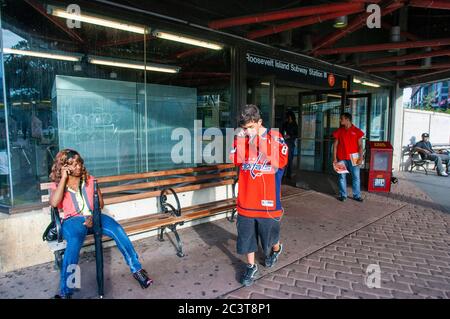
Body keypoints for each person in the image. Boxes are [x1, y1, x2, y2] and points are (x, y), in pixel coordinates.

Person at [49, 149, 153, 299]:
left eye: (79, 163)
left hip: (94, 215)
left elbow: (101, 204)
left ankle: (137, 270)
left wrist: (95, 200)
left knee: (117, 229)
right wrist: (64, 179)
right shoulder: (58, 184)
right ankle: (67, 291)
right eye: (72, 164)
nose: (78, 166)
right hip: (73, 220)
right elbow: (54, 202)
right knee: (74, 242)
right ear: (64, 167)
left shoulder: (90, 180)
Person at [230, 104, 289, 286]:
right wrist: (241, 140)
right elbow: (235, 160)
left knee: (269, 236)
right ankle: (250, 266)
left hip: (268, 200)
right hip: (247, 199)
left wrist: (258, 141)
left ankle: (276, 249)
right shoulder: (242, 138)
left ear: (259, 122)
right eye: (244, 128)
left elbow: (281, 161)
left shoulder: (275, 137)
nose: (247, 132)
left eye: (250, 127)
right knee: (247, 235)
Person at [332, 112, 364, 202]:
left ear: (347, 119)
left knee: (356, 177)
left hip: (354, 157)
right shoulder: (339, 131)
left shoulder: (357, 131)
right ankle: (343, 195)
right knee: (342, 177)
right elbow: (335, 146)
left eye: (341, 118)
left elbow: (361, 146)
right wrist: (334, 158)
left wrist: (361, 158)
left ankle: (357, 195)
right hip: (341, 158)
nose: (340, 120)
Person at [281, 110, 298, 179]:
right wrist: (284, 136)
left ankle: (288, 174)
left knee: (290, 159)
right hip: (284, 143)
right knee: (284, 159)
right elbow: (281, 132)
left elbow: (296, 134)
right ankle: (283, 173)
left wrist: (290, 136)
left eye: (289, 116)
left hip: (291, 143)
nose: (289, 118)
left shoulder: (294, 124)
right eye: (288, 117)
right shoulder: (285, 124)